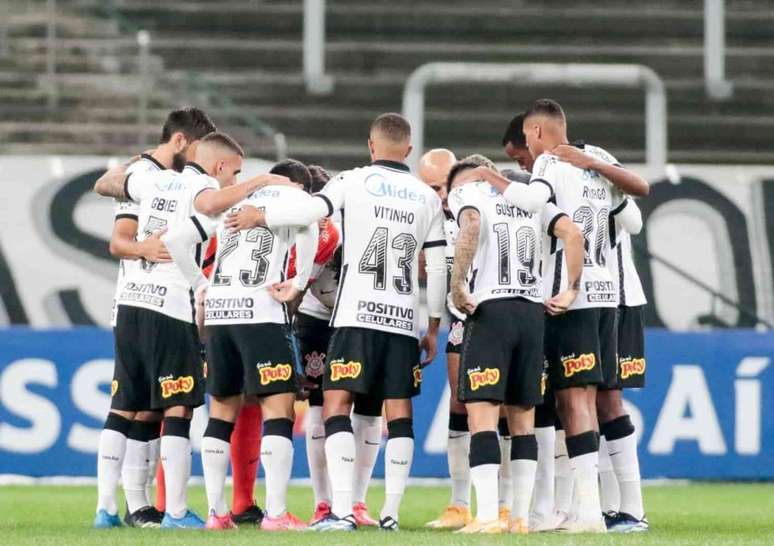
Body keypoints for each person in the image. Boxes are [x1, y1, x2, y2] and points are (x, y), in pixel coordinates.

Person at [225, 113, 447, 532]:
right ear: (410, 150)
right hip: (401, 322)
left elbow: (311, 211)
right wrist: (433, 325)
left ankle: (339, 510)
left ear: (370, 145)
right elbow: (436, 269)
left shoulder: (352, 180)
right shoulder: (427, 197)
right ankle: (390, 514)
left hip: (353, 318)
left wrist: (263, 217)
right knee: (398, 415)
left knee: (336, 406)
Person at [460, 98, 643, 533]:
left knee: (571, 401)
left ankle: (588, 513)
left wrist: (490, 178)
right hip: (607, 295)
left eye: (526, 139)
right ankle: (586, 509)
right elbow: (634, 213)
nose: (527, 148)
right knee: (583, 399)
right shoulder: (597, 161)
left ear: (538, 133)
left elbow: (527, 201)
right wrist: (592, 168)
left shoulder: (548, 165)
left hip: (567, 298)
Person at [93, 131, 285, 528]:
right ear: (218, 168)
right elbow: (212, 202)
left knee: (126, 404)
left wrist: (137, 162)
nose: (234, 182)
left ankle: (107, 509)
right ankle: (177, 512)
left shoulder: (154, 177)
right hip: (168, 303)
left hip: (130, 300)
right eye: (233, 173)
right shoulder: (202, 185)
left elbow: (106, 182)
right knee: (176, 405)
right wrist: (262, 181)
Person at [94, 107, 216, 529]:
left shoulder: (170, 180)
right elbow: (120, 241)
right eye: (199, 149)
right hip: (150, 303)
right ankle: (136, 504)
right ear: (181, 142)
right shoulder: (143, 175)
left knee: (143, 408)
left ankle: (131, 507)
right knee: (156, 405)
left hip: (145, 302)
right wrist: (143, 249)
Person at [447, 159, 584, 534]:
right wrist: (571, 289)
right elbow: (573, 233)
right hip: (532, 313)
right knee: (523, 421)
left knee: (482, 416)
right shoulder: (537, 204)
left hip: (491, 311)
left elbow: (471, 225)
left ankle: (488, 516)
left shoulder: (470, 194)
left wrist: (458, 283)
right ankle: (520, 518)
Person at [554, 147, 649, 533]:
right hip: (586, 301)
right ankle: (606, 507)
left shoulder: (592, 163)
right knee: (583, 401)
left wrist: (599, 169)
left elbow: (636, 220)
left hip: (618, 300)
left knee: (606, 400)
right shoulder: (554, 176)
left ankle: (632, 509)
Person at [292, 165, 384, 527]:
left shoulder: (353, 221)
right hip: (317, 317)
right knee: (320, 406)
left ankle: (356, 501)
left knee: (367, 406)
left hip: (358, 318)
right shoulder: (313, 229)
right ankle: (323, 501)